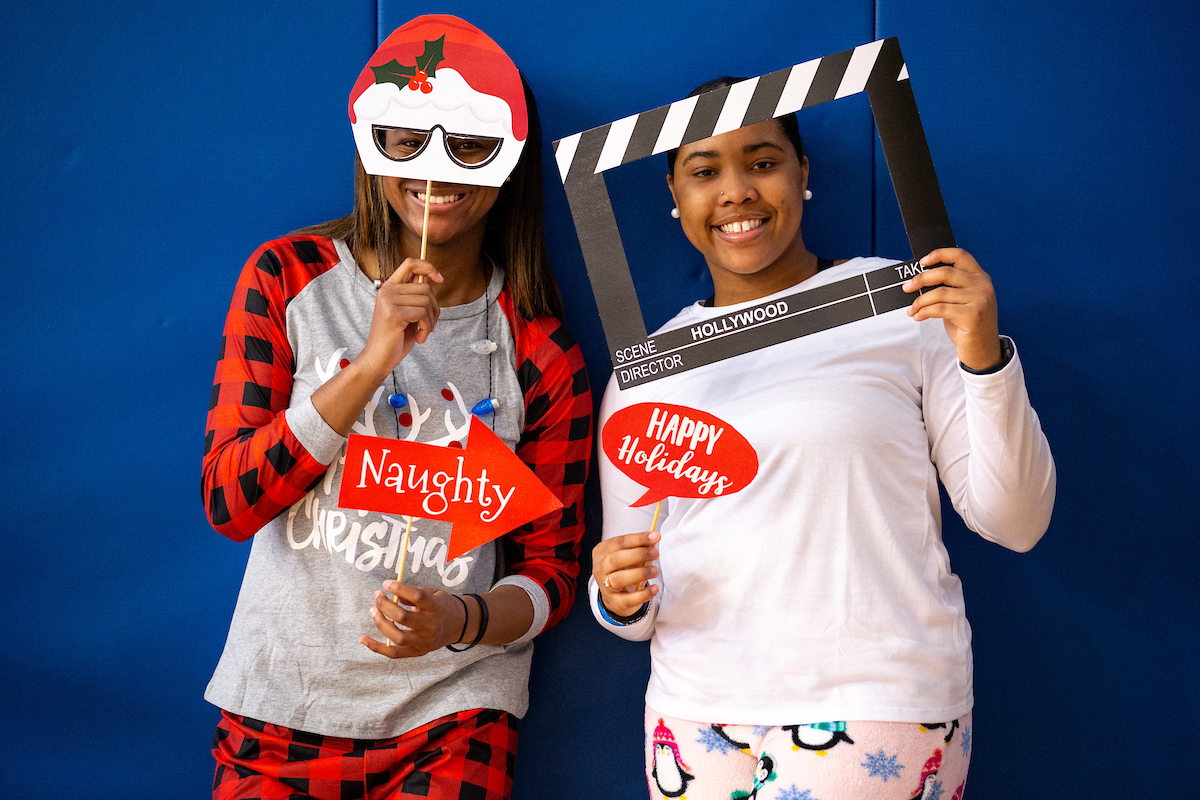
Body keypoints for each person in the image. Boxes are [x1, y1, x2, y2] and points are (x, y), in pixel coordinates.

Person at [590, 78, 1055, 800]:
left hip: (877, 698)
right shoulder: (646, 371)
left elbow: (1016, 522)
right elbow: (635, 599)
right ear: (676, 198)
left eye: (763, 161)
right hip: (695, 711)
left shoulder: (906, 307)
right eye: (706, 171)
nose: (737, 190)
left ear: (803, 174)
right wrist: (615, 595)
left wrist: (983, 355)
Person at [202, 16, 591, 800]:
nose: (436, 168)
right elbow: (229, 501)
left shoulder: (543, 354)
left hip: (454, 714)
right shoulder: (288, 279)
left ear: (511, 158)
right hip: (282, 699)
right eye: (407, 138)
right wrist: (374, 358)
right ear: (371, 143)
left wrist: (461, 621)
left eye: (473, 145)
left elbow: (551, 575)